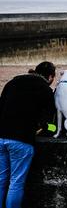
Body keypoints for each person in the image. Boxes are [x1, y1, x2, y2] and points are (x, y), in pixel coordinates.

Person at [0, 61, 56, 208]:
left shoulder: (13, 82)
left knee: (0, 180)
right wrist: (50, 131)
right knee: (16, 183)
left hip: (1, 137)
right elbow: (48, 122)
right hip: (21, 140)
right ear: (50, 77)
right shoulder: (46, 90)